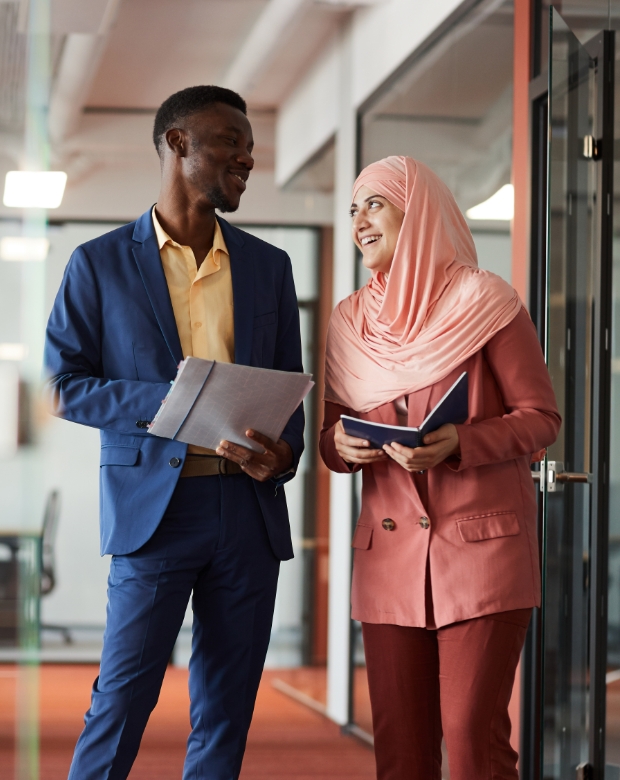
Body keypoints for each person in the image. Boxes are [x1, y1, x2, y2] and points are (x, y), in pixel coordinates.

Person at [45, 85, 304, 780]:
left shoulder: (269, 268)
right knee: (123, 698)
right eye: (231, 142)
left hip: (247, 514)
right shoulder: (98, 264)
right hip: (155, 514)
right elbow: (64, 385)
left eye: (251, 147)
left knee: (227, 707)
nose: (248, 158)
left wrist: (282, 455)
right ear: (179, 144)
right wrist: (172, 402)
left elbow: (290, 394)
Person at [319, 156, 560, 780]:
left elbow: (541, 418)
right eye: (353, 209)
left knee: (471, 742)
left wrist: (460, 441)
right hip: (388, 561)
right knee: (400, 749)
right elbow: (329, 433)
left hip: (482, 553)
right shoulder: (348, 323)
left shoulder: (486, 300)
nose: (359, 221)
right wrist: (339, 447)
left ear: (418, 209)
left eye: (374, 203)